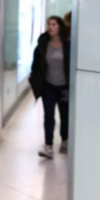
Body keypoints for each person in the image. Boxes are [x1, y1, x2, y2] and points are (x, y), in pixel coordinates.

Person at [30, 15, 69, 158]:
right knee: (48, 115)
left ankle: (65, 140)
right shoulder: (43, 44)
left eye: (54, 24)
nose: (50, 27)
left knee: (65, 115)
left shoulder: (68, 44)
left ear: (60, 27)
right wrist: (35, 80)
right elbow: (36, 65)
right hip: (48, 86)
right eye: (49, 24)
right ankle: (48, 146)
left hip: (64, 87)